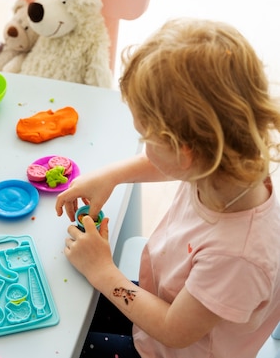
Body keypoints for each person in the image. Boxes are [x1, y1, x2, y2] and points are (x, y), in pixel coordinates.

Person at [55, 18, 280, 357]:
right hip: (162, 301)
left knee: (64, 345)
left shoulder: (236, 256)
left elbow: (175, 331)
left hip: (170, 345)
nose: (145, 146)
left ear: (183, 150)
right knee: (68, 305)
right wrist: (112, 175)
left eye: (147, 138)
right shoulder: (228, 165)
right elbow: (171, 164)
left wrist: (102, 270)